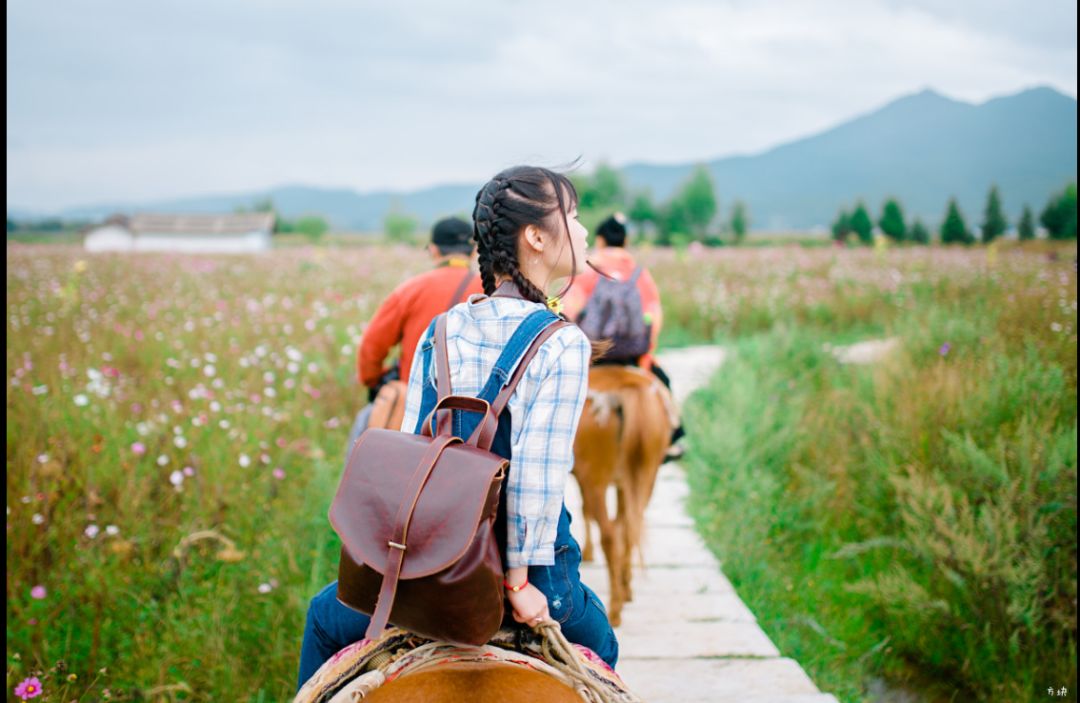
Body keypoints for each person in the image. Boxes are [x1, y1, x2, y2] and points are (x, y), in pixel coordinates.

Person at [298, 166, 619, 691]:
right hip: (531, 568)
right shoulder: (562, 342)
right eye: (575, 217)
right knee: (600, 645)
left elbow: (411, 452)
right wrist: (519, 581)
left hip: (431, 557)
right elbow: (538, 477)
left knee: (323, 620)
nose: (584, 232)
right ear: (536, 237)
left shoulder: (442, 327)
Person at [345, 216, 483, 447]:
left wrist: (374, 380)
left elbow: (371, 347)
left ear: (433, 250)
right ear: (473, 251)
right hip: (477, 412)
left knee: (363, 433)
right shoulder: (490, 291)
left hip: (416, 408)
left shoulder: (411, 289)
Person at [562, 213, 686, 458]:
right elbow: (654, 317)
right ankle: (672, 439)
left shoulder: (584, 271)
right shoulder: (640, 274)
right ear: (626, 241)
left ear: (599, 240)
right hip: (631, 358)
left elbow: (568, 313)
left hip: (591, 359)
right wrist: (646, 354)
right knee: (665, 385)